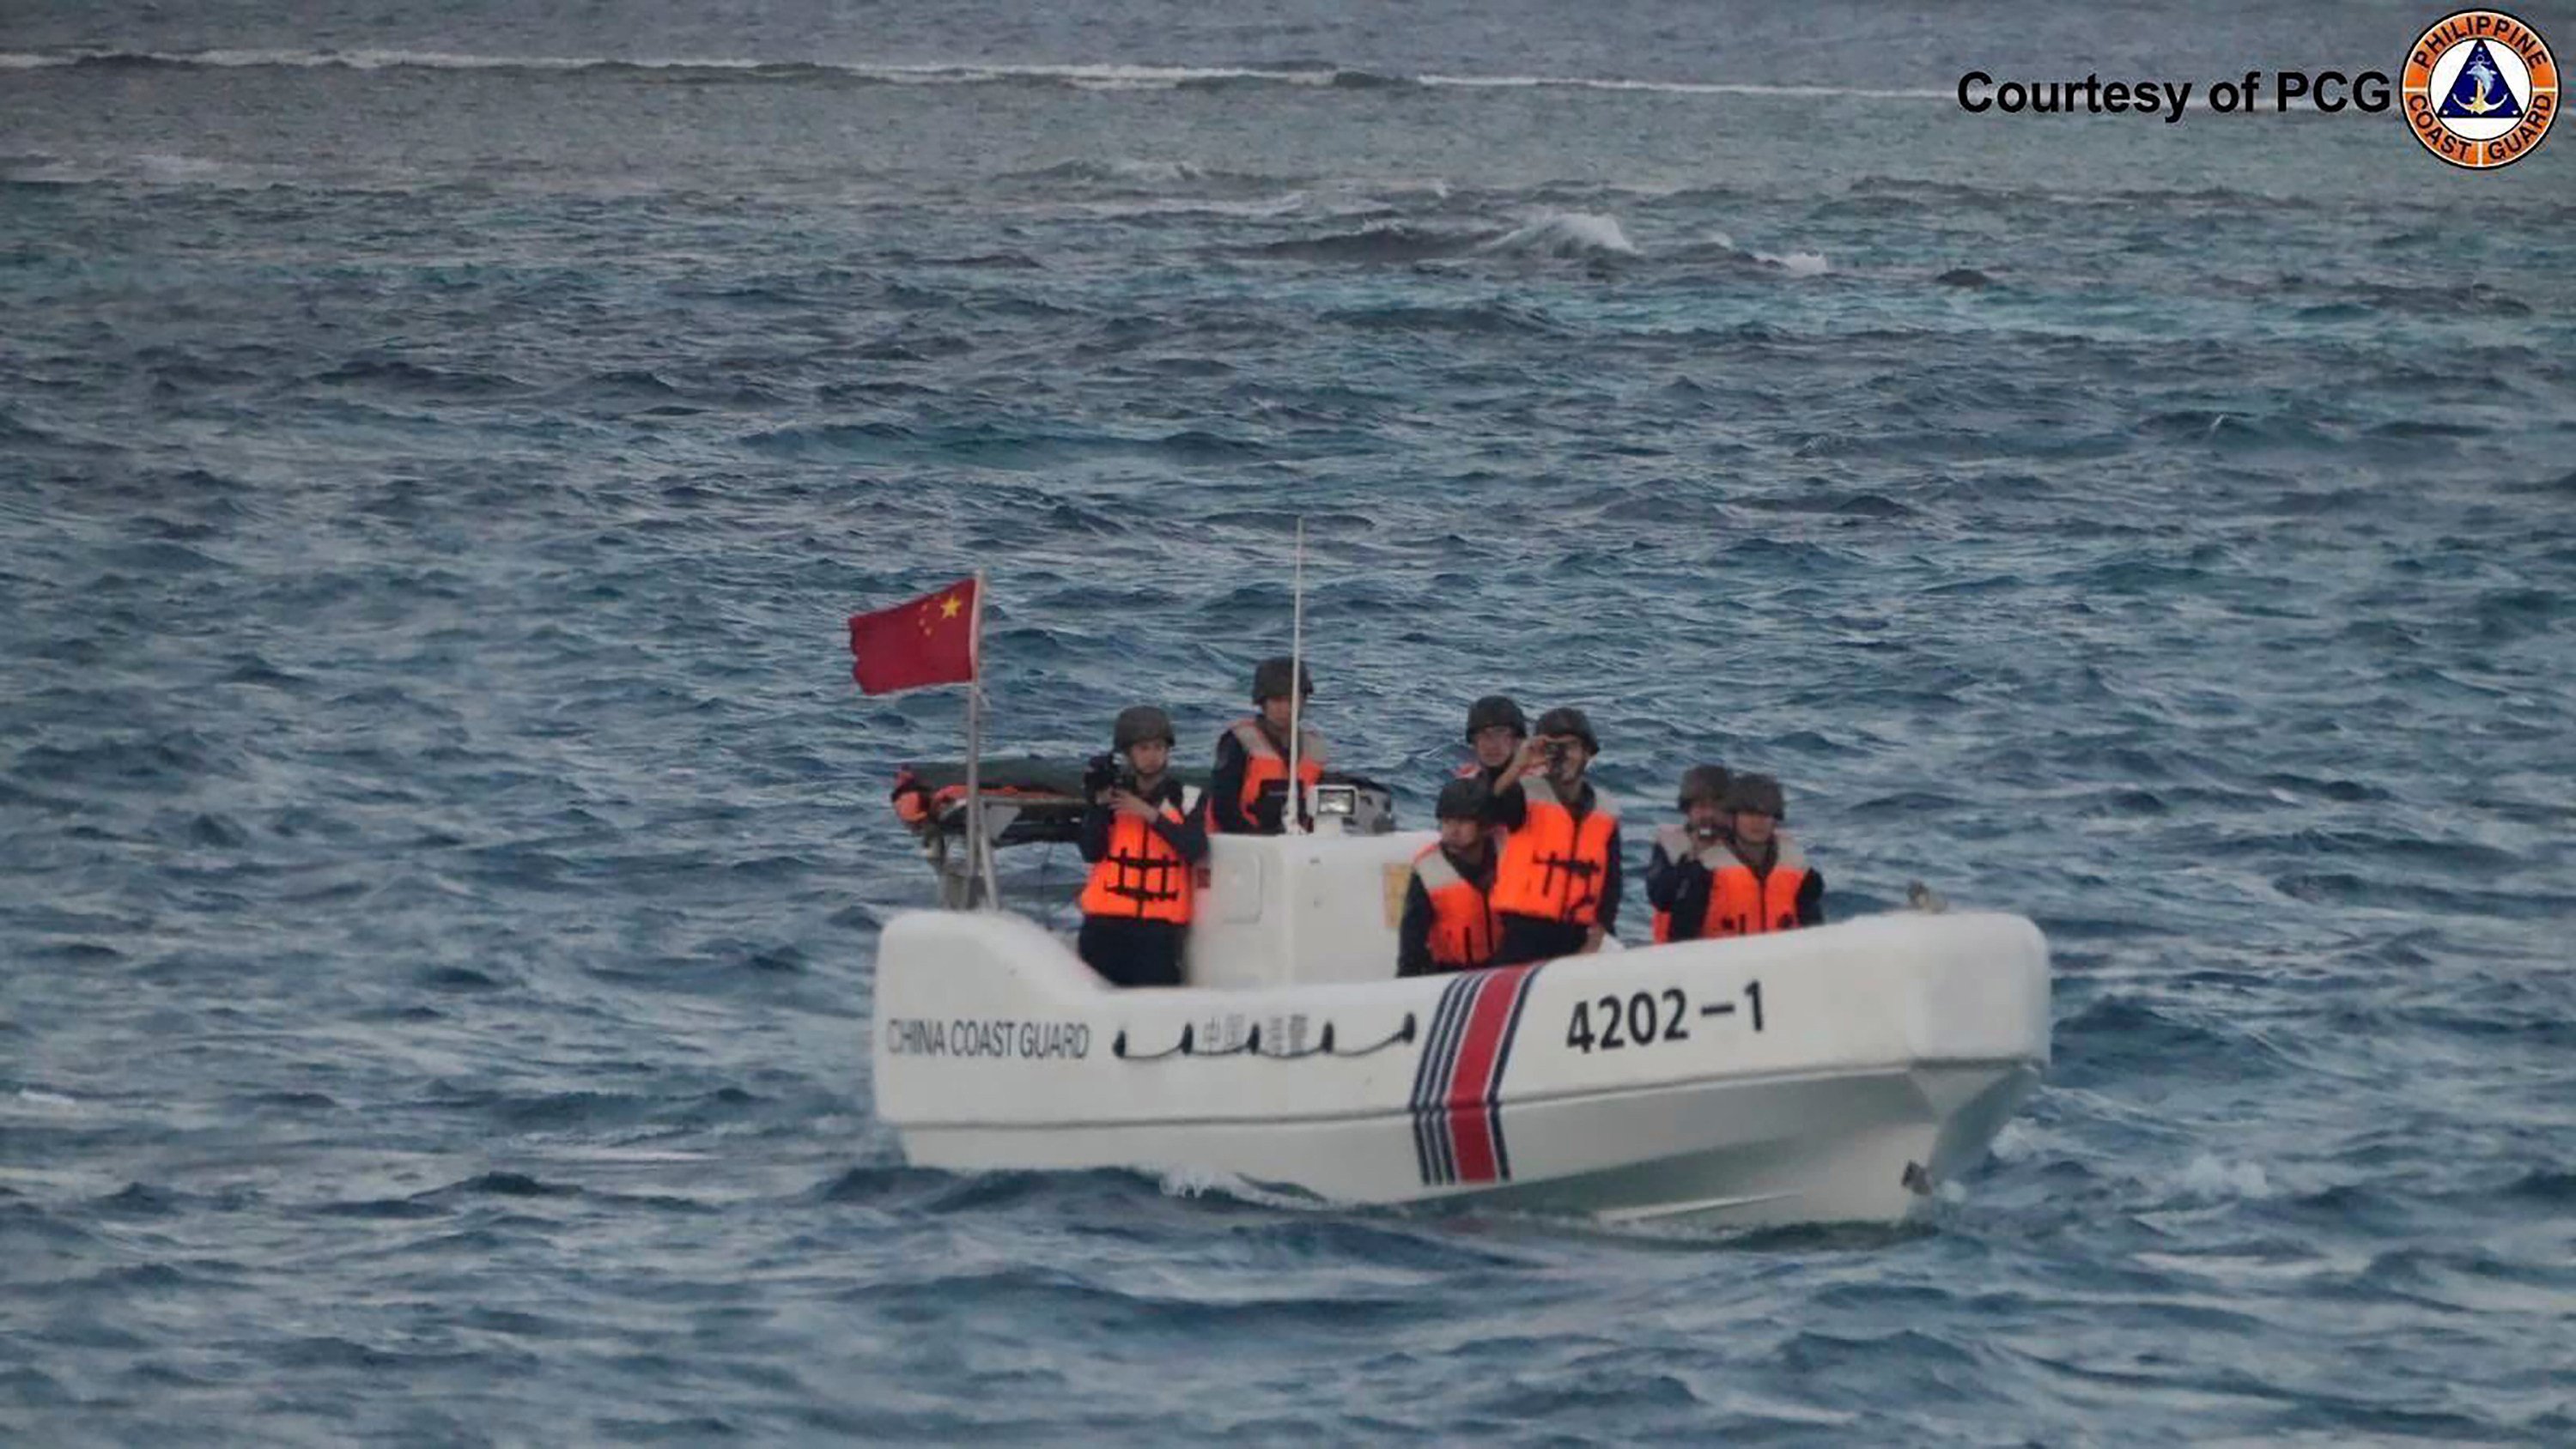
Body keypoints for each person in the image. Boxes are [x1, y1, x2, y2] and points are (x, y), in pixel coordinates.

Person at [1076, 706, 1208, 987]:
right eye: (1144, 748)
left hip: (1158, 932)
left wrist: (1151, 815)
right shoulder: (1111, 799)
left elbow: (1195, 849)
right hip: (1104, 926)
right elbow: (1091, 851)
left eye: (1159, 747)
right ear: (1128, 754)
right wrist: (1099, 808)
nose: (1153, 756)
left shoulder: (1187, 799)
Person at [1487, 706, 1622, 964]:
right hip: (1523, 934)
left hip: (1579, 936)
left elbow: (1611, 886)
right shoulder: (1524, 795)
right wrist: (1520, 764)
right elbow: (1492, 806)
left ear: (1586, 753)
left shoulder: (1606, 810)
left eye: (1570, 746)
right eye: (1553, 748)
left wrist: (1595, 941)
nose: (1563, 756)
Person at [1694, 773, 1825, 937]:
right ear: (1732, 817)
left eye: (1765, 814)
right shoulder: (1703, 868)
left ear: (1775, 819)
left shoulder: (1799, 871)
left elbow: (1815, 933)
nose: (1758, 822)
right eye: (1750, 813)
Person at [1208, 655, 1326, 834]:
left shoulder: (1314, 746)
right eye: (1277, 700)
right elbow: (1224, 809)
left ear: (1304, 702)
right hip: (1239, 842)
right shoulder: (1238, 742)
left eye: (1292, 700)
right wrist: (1260, 838)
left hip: (1299, 842)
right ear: (1262, 703)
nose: (1285, 709)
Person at [1398, 777, 1503, 977]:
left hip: (1503, 969)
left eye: (1463, 821)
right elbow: (1412, 934)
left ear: (1483, 825)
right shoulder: (1428, 868)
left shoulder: (1505, 855)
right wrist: (1406, 979)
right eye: (1447, 821)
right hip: (1449, 974)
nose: (1453, 830)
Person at [1644, 765, 1731, 943]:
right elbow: (1660, 898)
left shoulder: (1744, 848)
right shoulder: (1671, 844)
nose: (1709, 814)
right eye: (1701, 806)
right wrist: (1692, 858)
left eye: (1717, 807)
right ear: (1688, 810)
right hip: (1675, 950)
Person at [1457, 694, 1528, 788]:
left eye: (1500, 732)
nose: (1491, 744)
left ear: (1517, 739)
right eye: (1482, 733)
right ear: (1473, 742)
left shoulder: (1539, 789)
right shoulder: (1462, 787)